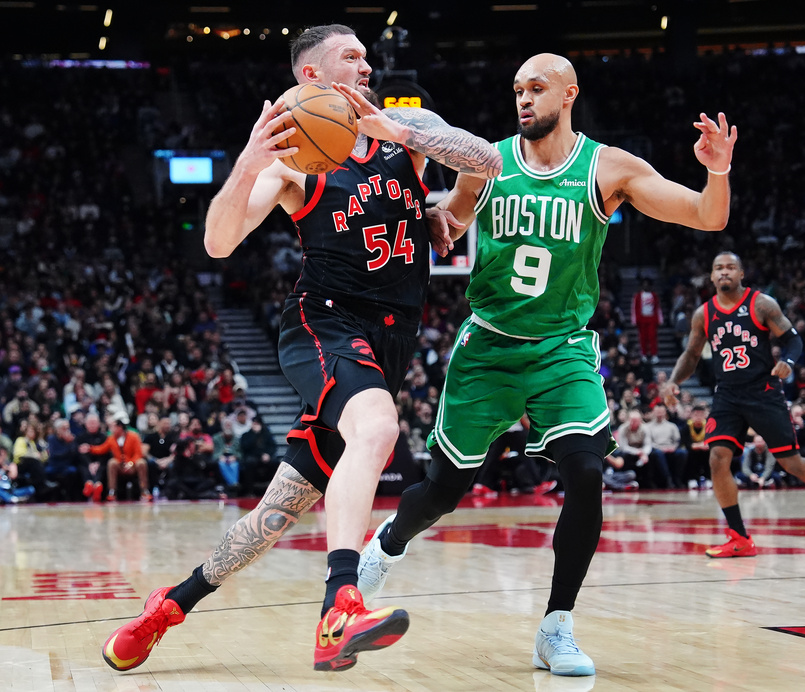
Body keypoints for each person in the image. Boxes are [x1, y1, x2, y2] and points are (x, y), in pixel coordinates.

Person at [100, 23, 500, 674]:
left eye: (368, 56)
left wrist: (436, 187)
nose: (367, 66)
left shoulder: (407, 129)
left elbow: (487, 161)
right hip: (324, 325)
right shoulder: (293, 154)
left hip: (387, 345)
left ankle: (165, 608)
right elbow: (219, 242)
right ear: (312, 77)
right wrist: (248, 164)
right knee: (377, 427)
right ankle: (339, 606)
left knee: (273, 514)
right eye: (352, 57)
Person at [356, 52, 735, 678]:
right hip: (489, 347)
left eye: (536, 88)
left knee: (586, 471)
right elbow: (455, 214)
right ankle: (389, 544)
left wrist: (717, 172)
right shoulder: (489, 158)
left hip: (562, 347)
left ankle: (556, 625)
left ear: (569, 94)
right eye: (516, 89)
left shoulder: (607, 166)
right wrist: (439, 219)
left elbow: (707, 215)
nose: (524, 99)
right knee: (443, 492)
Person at [669, 252, 805, 557]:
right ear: (711, 276)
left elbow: (794, 340)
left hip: (763, 392)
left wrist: (787, 361)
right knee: (717, 457)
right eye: (718, 268)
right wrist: (673, 382)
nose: (724, 273)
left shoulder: (761, 304)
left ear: (741, 273)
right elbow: (691, 355)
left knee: (791, 463)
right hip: (728, 394)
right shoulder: (703, 314)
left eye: (730, 267)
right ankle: (739, 536)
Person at [80, 412, 150, 502]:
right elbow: (102, 448)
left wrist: (131, 463)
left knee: (142, 463)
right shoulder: (111, 438)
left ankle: (144, 491)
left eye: (113, 426)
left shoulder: (134, 436)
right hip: (120, 465)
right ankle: (112, 492)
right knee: (112, 462)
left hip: (132, 465)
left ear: (119, 427)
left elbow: (138, 454)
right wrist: (90, 448)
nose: (111, 428)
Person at [631, 277, 663, 362]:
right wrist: (634, 320)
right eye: (644, 285)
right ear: (642, 286)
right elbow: (634, 308)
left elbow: (658, 308)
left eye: (648, 285)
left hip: (652, 318)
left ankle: (654, 354)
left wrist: (660, 319)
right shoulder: (638, 296)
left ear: (650, 286)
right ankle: (644, 354)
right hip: (642, 319)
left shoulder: (654, 295)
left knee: (652, 337)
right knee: (643, 337)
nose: (646, 286)